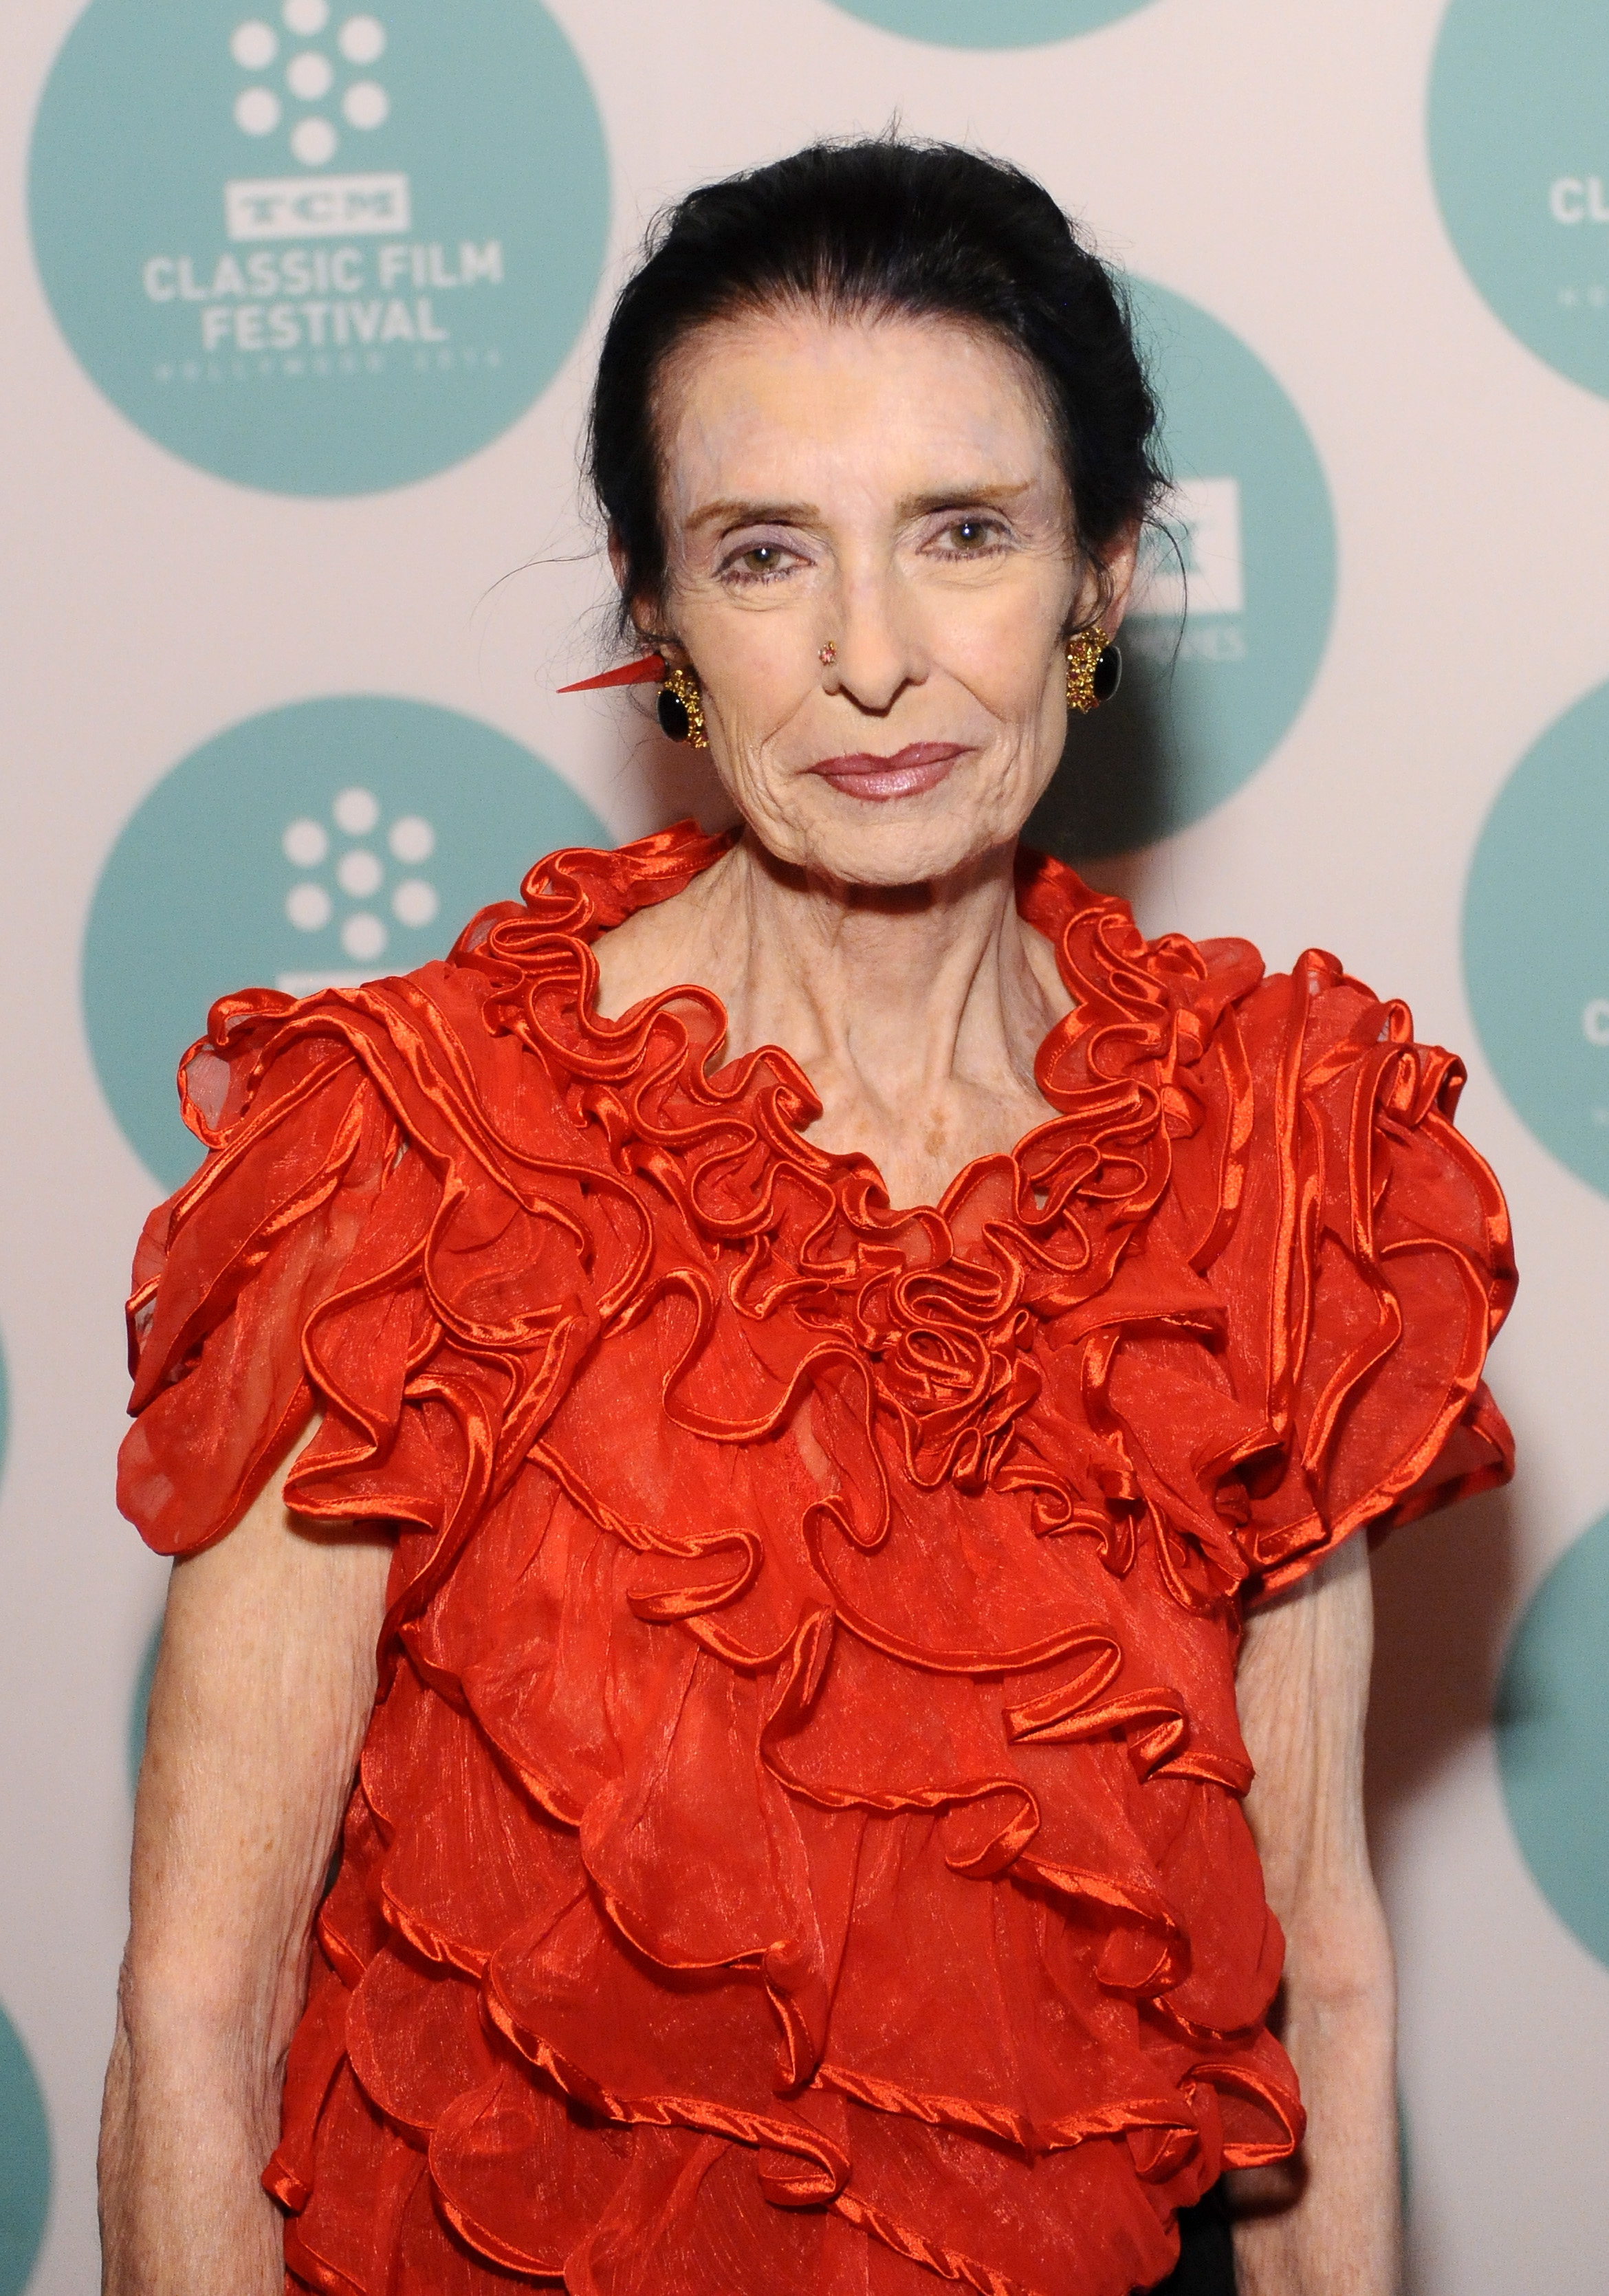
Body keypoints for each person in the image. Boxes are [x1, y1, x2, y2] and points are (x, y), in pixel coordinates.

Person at [100, 140, 1515, 2296]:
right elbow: (200, 2019)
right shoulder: (408, 1146)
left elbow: (1307, 1968)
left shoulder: (1278, 1157)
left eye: (963, 533)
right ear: (659, 618)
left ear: (1102, 578)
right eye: (767, 553)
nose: (872, 657)